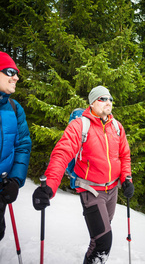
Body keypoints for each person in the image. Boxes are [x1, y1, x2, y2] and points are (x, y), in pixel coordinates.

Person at [32, 85, 134, 263]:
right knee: (103, 242)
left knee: (99, 236)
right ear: (93, 102)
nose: (108, 102)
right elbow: (62, 153)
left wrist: (126, 178)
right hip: (91, 191)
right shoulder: (80, 125)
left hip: (112, 192)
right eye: (103, 99)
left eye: (110, 99)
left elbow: (124, 155)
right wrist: (49, 185)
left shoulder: (117, 127)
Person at [0, 51, 32, 240]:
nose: (16, 77)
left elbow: (22, 145)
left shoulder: (14, 108)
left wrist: (15, 180)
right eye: (10, 71)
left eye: (17, 73)